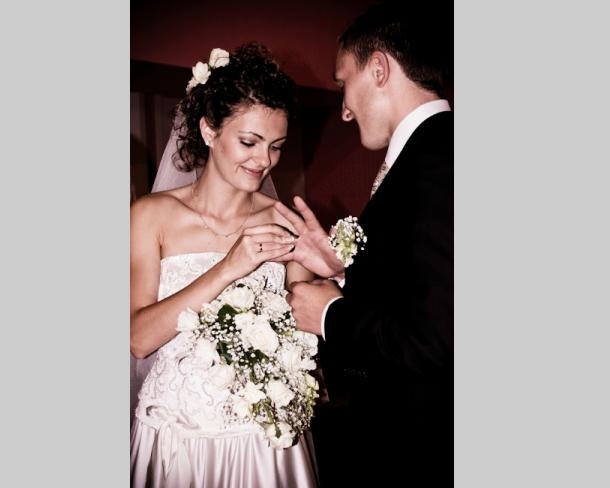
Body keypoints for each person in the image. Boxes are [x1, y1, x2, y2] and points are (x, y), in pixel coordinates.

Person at [275, 4, 453, 485]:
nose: (345, 109)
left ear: (378, 69)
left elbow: (439, 337)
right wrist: (344, 270)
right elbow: (423, 288)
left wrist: (329, 314)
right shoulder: (429, 154)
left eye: (342, 83)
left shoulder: (439, 163)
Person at [130, 43, 318, 488]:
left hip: (261, 443)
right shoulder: (151, 216)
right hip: (175, 439)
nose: (264, 161)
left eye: (276, 146)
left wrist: (331, 271)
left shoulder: (286, 223)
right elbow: (138, 339)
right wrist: (228, 268)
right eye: (249, 142)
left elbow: (309, 331)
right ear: (209, 130)